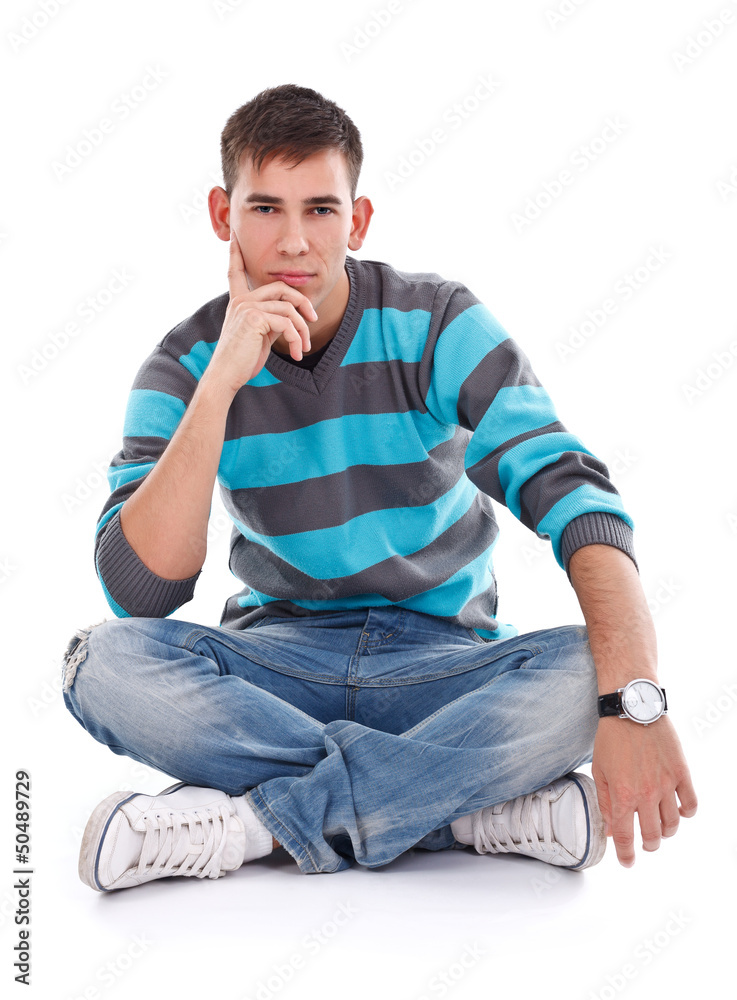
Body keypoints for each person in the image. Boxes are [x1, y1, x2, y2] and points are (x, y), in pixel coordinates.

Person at [63, 84, 697, 892]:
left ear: (357, 221)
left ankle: (256, 824)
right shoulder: (182, 365)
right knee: (99, 662)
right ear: (223, 215)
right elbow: (139, 593)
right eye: (266, 209)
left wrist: (634, 701)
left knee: (587, 671)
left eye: (321, 209)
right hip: (276, 670)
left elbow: (573, 494)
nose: (294, 241)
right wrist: (220, 384)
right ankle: (458, 811)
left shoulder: (436, 322)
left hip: (441, 667)